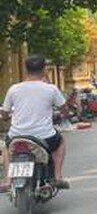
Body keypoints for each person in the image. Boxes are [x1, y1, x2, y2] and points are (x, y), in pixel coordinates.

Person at [0, 55, 71, 191]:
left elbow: (4, 113)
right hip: (44, 138)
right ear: (44, 70)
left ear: (26, 70)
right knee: (60, 142)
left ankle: (8, 180)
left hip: (16, 136)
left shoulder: (13, 89)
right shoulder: (51, 89)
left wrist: (6, 117)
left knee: (6, 148)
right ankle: (57, 177)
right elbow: (65, 110)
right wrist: (64, 113)